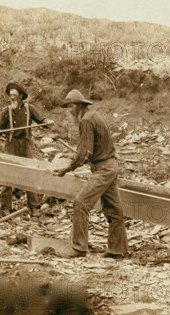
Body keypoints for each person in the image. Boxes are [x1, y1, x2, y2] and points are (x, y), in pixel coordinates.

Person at [52, 89, 129, 259]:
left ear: (79, 105)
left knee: (81, 202)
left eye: (71, 106)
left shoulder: (86, 121)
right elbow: (92, 149)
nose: (69, 110)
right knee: (114, 210)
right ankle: (118, 250)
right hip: (110, 166)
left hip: (103, 170)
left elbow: (84, 153)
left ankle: (79, 248)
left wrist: (66, 169)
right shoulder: (94, 116)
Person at [0, 82, 54, 217]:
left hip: (26, 144)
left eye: (15, 95)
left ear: (21, 96)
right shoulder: (6, 111)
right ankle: (5, 208)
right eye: (10, 96)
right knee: (7, 174)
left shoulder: (29, 108)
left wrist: (48, 122)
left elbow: (42, 121)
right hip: (11, 144)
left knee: (30, 174)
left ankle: (34, 207)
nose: (12, 98)